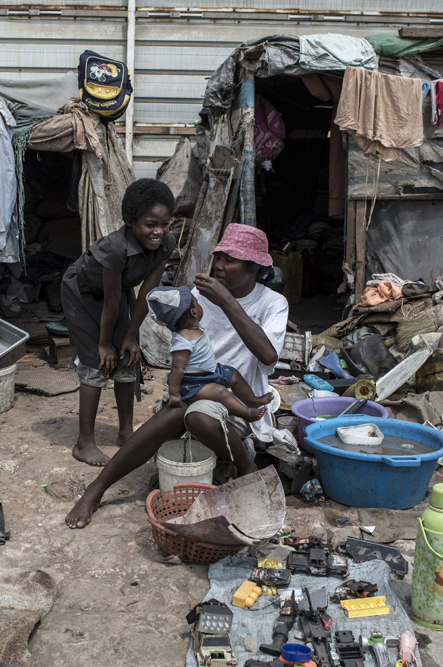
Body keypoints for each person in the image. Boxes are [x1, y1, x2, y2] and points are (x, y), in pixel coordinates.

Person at [67, 223, 288, 528]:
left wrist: (226, 301)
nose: (220, 266)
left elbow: (268, 356)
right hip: (195, 390)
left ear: (253, 267)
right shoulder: (200, 296)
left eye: (230, 260)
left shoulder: (272, 303)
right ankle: (97, 489)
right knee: (181, 409)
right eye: (219, 257)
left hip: (236, 402)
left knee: (196, 415)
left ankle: (245, 466)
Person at [60, 179, 175, 467]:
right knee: (97, 362)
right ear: (130, 222)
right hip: (83, 293)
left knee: (128, 357)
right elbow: (110, 302)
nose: (158, 231)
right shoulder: (114, 248)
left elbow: (145, 294)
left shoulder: (165, 244)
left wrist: (130, 336)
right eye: (150, 224)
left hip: (119, 291)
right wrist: (102, 344)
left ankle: (126, 432)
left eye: (164, 223)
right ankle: (83, 443)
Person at [146, 286, 272, 422]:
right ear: (194, 312)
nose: (200, 304)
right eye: (197, 302)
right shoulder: (183, 341)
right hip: (193, 384)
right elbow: (177, 369)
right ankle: (246, 413)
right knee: (220, 392)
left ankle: (252, 399)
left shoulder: (195, 326)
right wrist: (174, 394)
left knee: (234, 375)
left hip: (211, 372)